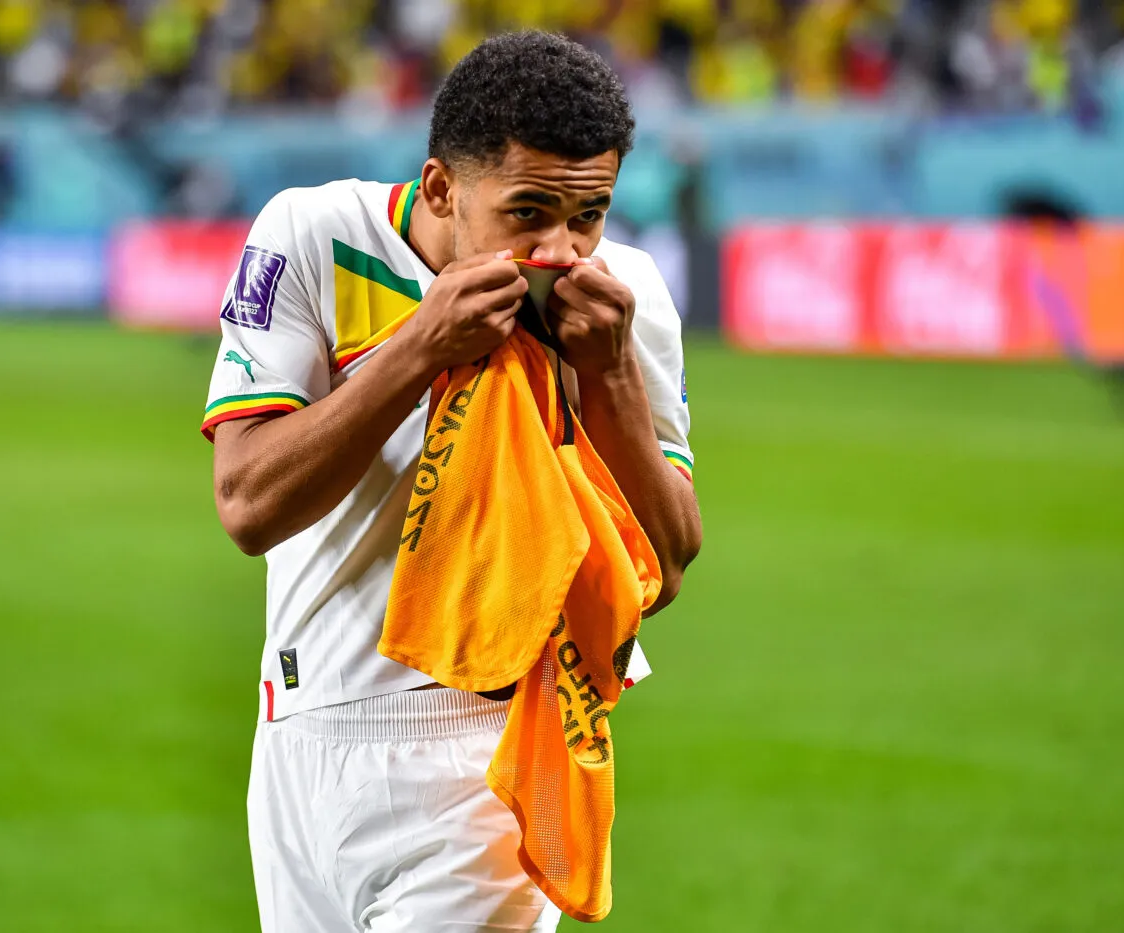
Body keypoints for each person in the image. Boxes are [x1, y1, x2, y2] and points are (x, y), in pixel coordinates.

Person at [203, 30, 702, 932]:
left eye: (588, 213)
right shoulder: (316, 237)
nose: (562, 248)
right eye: (529, 211)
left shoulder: (623, 296)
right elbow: (247, 505)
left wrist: (616, 377)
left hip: (487, 748)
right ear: (441, 187)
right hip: (295, 740)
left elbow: (663, 566)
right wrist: (421, 347)